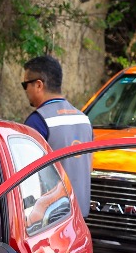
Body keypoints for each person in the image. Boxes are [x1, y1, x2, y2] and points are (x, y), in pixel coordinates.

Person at [21, 54, 93, 215]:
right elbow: (88, 167)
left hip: (51, 219)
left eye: (25, 85)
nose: (25, 90)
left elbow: (26, 177)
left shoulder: (38, 121)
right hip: (80, 217)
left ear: (39, 85)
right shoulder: (84, 120)